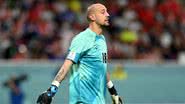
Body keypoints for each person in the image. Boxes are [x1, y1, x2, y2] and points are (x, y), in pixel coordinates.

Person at [37, 3, 123, 104]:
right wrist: (51, 90)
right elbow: (66, 66)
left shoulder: (102, 40)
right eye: (103, 12)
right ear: (92, 17)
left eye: (107, 11)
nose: (107, 15)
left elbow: (103, 67)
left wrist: (113, 93)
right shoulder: (81, 39)